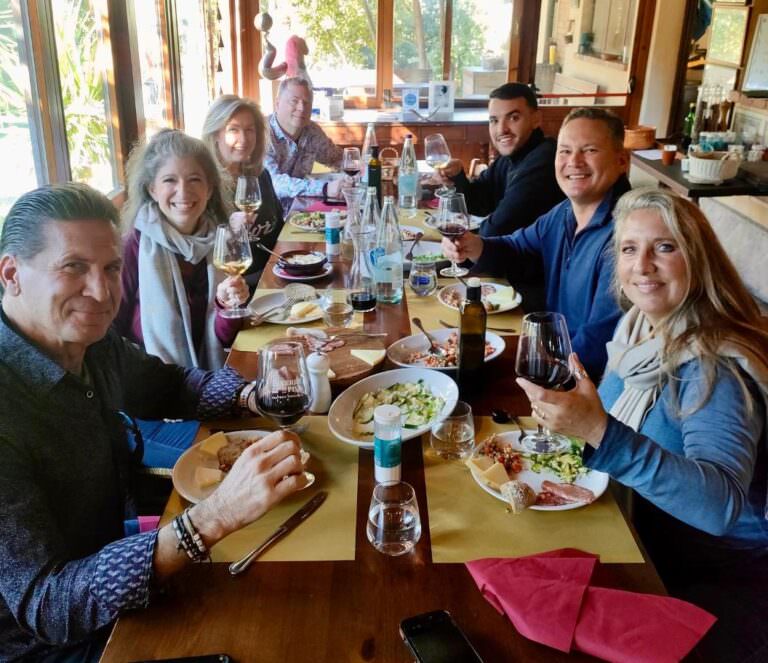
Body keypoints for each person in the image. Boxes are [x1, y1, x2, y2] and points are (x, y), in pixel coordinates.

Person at [0, 183, 307, 661]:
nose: (102, 293)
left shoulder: (92, 343)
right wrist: (211, 518)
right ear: (12, 273)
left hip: (116, 559)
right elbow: (49, 604)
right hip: (50, 645)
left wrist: (253, 394)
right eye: (73, 268)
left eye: (111, 268)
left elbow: (174, 386)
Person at [517, 187, 768, 662]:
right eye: (630, 249)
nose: (642, 265)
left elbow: (721, 507)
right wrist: (578, 425)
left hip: (703, 575)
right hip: (632, 524)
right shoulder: (638, 329)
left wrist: (599, 433)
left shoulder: (714, 366)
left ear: (699, 260)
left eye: (665, 247)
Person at [441, 107, 629, 379]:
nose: (574, 162)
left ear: (621, 160)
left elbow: (599, 341)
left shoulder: (628, 236)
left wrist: (534, 369)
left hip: (582, 384)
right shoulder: (564, 212)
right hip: (550, 357)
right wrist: (474, 245)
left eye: (589, 150)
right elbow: (517, 247)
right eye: (564, 151)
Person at [115, 129, 249, 372]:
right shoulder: (131, 248)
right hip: (151, 385)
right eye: (170, 180)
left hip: (211, 381)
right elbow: (111, 335)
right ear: (152, 189)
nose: (184, 191)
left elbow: (227, 340)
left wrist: (228, 307)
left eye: (194, 179)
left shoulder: (222, 242)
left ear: (209, 189)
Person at [435, 82, 564, 239]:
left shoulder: (544, 161)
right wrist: (457, 176)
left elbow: (497, 229)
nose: (502, 129)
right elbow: (477, 203)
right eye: (494, 120)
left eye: (513, 118)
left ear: (536, 119)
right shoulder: (512, 156)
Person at [202, 94, 283, 287]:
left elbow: (278, 228)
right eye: (233, 130)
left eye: (250, 130)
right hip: (237, 286)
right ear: (215, 135)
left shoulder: (261, 176)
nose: (244, 139)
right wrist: (229, 233)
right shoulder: (204, 186)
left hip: (275, 275)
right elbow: (199, 255)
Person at [264, 77, 344, 211]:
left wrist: (356, 170)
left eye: (306, 103)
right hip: (266, 218)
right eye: (294, 101)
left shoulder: (312, 131)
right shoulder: (262, 134)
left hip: (301, 211)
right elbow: (274, 183)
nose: (301, 108)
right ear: (277, 104)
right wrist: (325, 188)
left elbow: (337, 157)